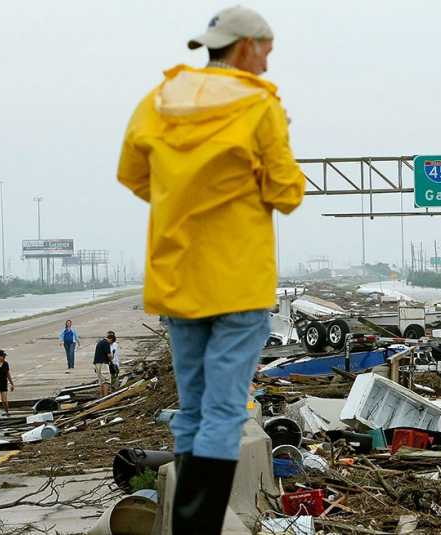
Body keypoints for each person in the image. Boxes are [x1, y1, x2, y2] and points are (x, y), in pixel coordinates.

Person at [116, 6, 305, 532]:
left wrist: (184, 199)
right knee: (224, 412)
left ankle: (186, 522)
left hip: (178, 276)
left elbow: (132, 173)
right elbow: (287, 193)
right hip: (238, 280)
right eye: (266, 49)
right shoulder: (261, 106)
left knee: (194, 411)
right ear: (245, 47)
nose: (268, 60)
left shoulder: (159, 100)